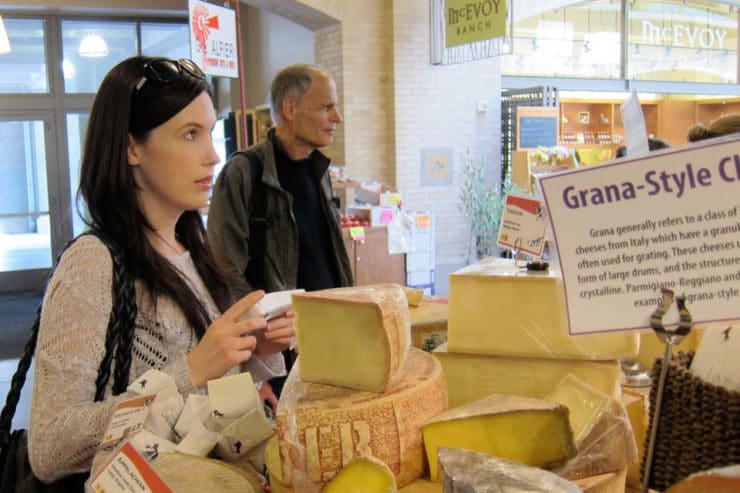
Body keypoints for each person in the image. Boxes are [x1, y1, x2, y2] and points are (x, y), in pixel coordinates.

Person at [28, 56, 294, 483]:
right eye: (189, 134)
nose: (212, 156)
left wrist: (252, 350)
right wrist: (190, 371)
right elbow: (50, 447)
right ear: (132, 147)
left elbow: (200, 410)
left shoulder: (195, 249)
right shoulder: (94, 263)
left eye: (209, 133)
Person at [206, 64, 354, 397]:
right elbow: (224, 273)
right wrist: (256, 369)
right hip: (278, 357)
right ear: (290, 108)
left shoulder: (320, 172)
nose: (337, 117)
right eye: (327, 106)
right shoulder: (243, 173)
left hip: (330, 342)